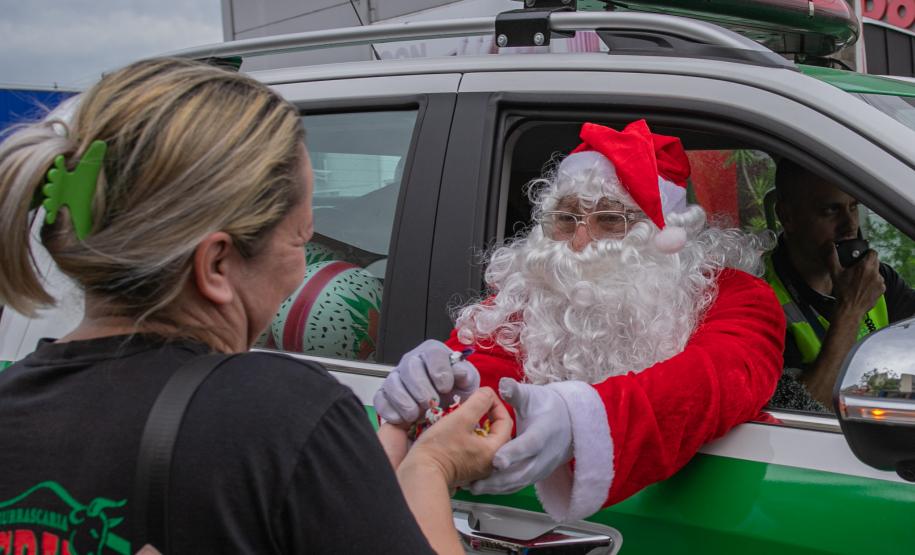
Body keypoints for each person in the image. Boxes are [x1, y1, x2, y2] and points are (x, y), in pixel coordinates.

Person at [0, 57, 512, 555]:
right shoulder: (281, 414)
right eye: (301, 244)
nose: (301, 272)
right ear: (217, 265)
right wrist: (433, 467)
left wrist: (392, 443)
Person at [374, 120, 785, 523]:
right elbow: (489, 367)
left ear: (665, 234)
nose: (580, 241)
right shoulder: (537, 290)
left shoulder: (736, 297)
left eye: (610, 219)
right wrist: (439, 389)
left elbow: (711, 381)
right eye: (566, 218)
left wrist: (578, 419)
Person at [765, 160, 915, 409]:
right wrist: (851, 311)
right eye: (831, 211)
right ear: (787, 217)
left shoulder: (874, 277)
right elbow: (800, 414)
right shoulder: (763, 298)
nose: (850, 226)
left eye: (853, 208)